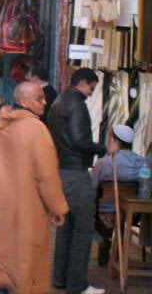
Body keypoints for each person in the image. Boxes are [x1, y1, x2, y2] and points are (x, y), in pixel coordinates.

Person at [0, 82, 69, 294]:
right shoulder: (36, 129)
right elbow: (47, 176)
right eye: (40, 98)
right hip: (26, 208)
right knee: (25, 265)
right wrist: (58, 207)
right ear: (24, 101)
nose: (45, 102)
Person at [48, 68, 112, 294]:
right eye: (92, 88)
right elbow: (79, 140)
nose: (92, 93)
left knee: (66, 227)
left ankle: (61, 278)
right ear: (83, 82)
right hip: (76, 172)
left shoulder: (59, 102)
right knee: (82, 229)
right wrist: (102, 148)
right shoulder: (76, 105)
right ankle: (78, 284)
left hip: (62, 170)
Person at [90, 124, 145, 266]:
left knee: (92, 197)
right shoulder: (142, 162)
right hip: (132, 214)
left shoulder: (104, 163)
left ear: (114, 140)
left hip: (106, 213)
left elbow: (92, 186)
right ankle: (114, 244)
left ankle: (105, 238)